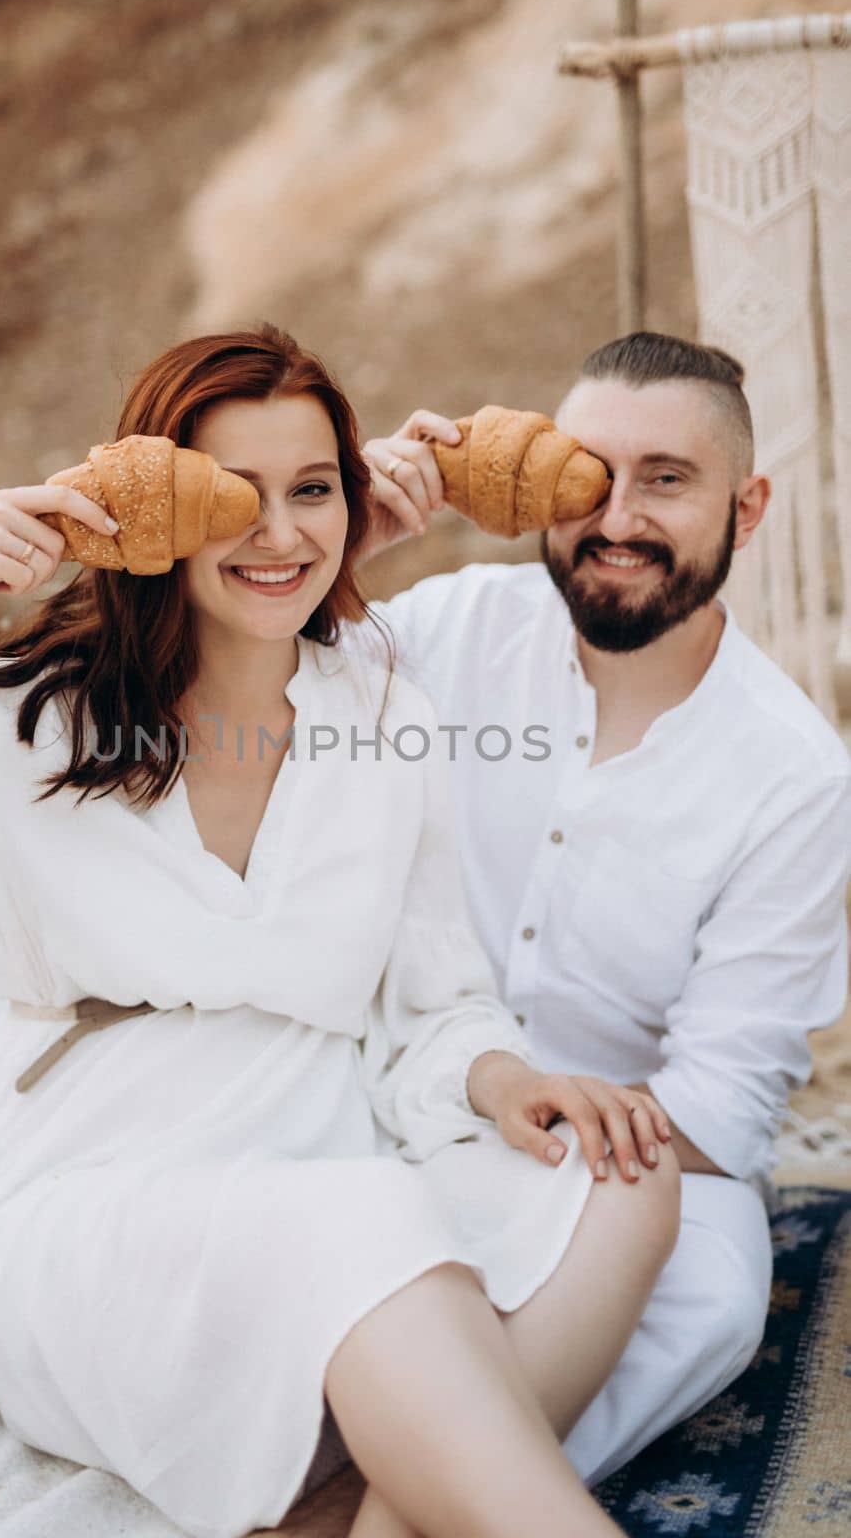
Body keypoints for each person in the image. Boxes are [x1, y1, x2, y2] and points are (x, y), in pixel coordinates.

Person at [0, 325, 681, 1538]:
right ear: (157, 508)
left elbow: (430, 997)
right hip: (87, 1195)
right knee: (359, 1223)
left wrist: (506, 1075)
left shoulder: (382, 711)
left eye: (313, 490)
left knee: (627, 1172)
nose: (280, 534)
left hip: (320, 1145)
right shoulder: (19, 725)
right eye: (236, 496)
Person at [357, 331, 851, 1489]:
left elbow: (721, 1100)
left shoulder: (797, 775)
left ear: (748, 505)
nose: (615, 515)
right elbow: (235, 699)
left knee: (718, 1296)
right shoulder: (451, 625)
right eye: (588, 474)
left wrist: (552, 1129)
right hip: (383, 1082)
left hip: (615, 1160)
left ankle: (398, 1496)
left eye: (667, 479)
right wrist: (353, 553)